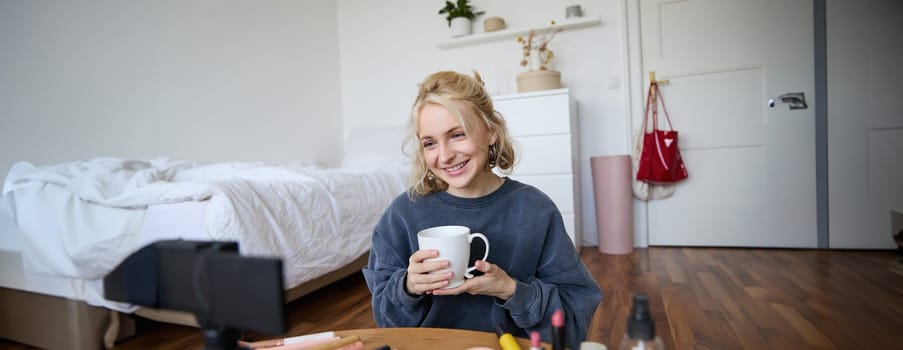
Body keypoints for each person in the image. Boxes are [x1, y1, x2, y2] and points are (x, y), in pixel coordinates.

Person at [362, 70, 602, 350]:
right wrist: (407, 288)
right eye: (430, 143)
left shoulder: (535, 210)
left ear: (491, 132)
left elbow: (573, 322)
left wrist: (512, 289)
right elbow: (387, 322)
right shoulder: (402, 215)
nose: (444, 155)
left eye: (457, 134)